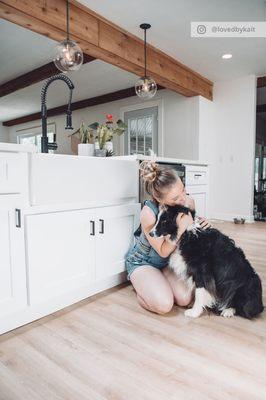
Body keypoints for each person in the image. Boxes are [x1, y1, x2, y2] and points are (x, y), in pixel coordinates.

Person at [125, 160, 211, 315]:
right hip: (144, 262)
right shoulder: (148, 213)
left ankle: (157, 282)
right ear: (160, 200)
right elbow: (163, 251)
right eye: (175, 198)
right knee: (164, 305)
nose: (183, 199)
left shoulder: (188, 201)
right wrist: (180, 229)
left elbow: (190, 229)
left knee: (185, 300)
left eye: (183, 190)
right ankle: (141, 289)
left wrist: (201, 223)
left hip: (168, 263)